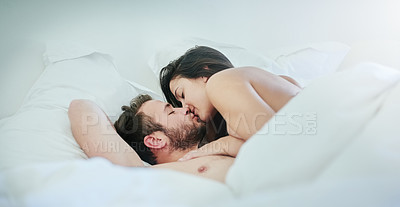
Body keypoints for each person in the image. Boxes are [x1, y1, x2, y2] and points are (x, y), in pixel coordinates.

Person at [160, 46, 302, 161]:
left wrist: (224, 145)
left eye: (182, 94)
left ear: (204, 71)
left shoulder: (219, 82)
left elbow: (277, 146)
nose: (185, 107)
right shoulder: (267, 83)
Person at [68, 95, 237, 183]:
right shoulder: (140, 175)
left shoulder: (224, 142)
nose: (184, 109)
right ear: (155, 141)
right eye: (171, 112)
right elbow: (80, 107)